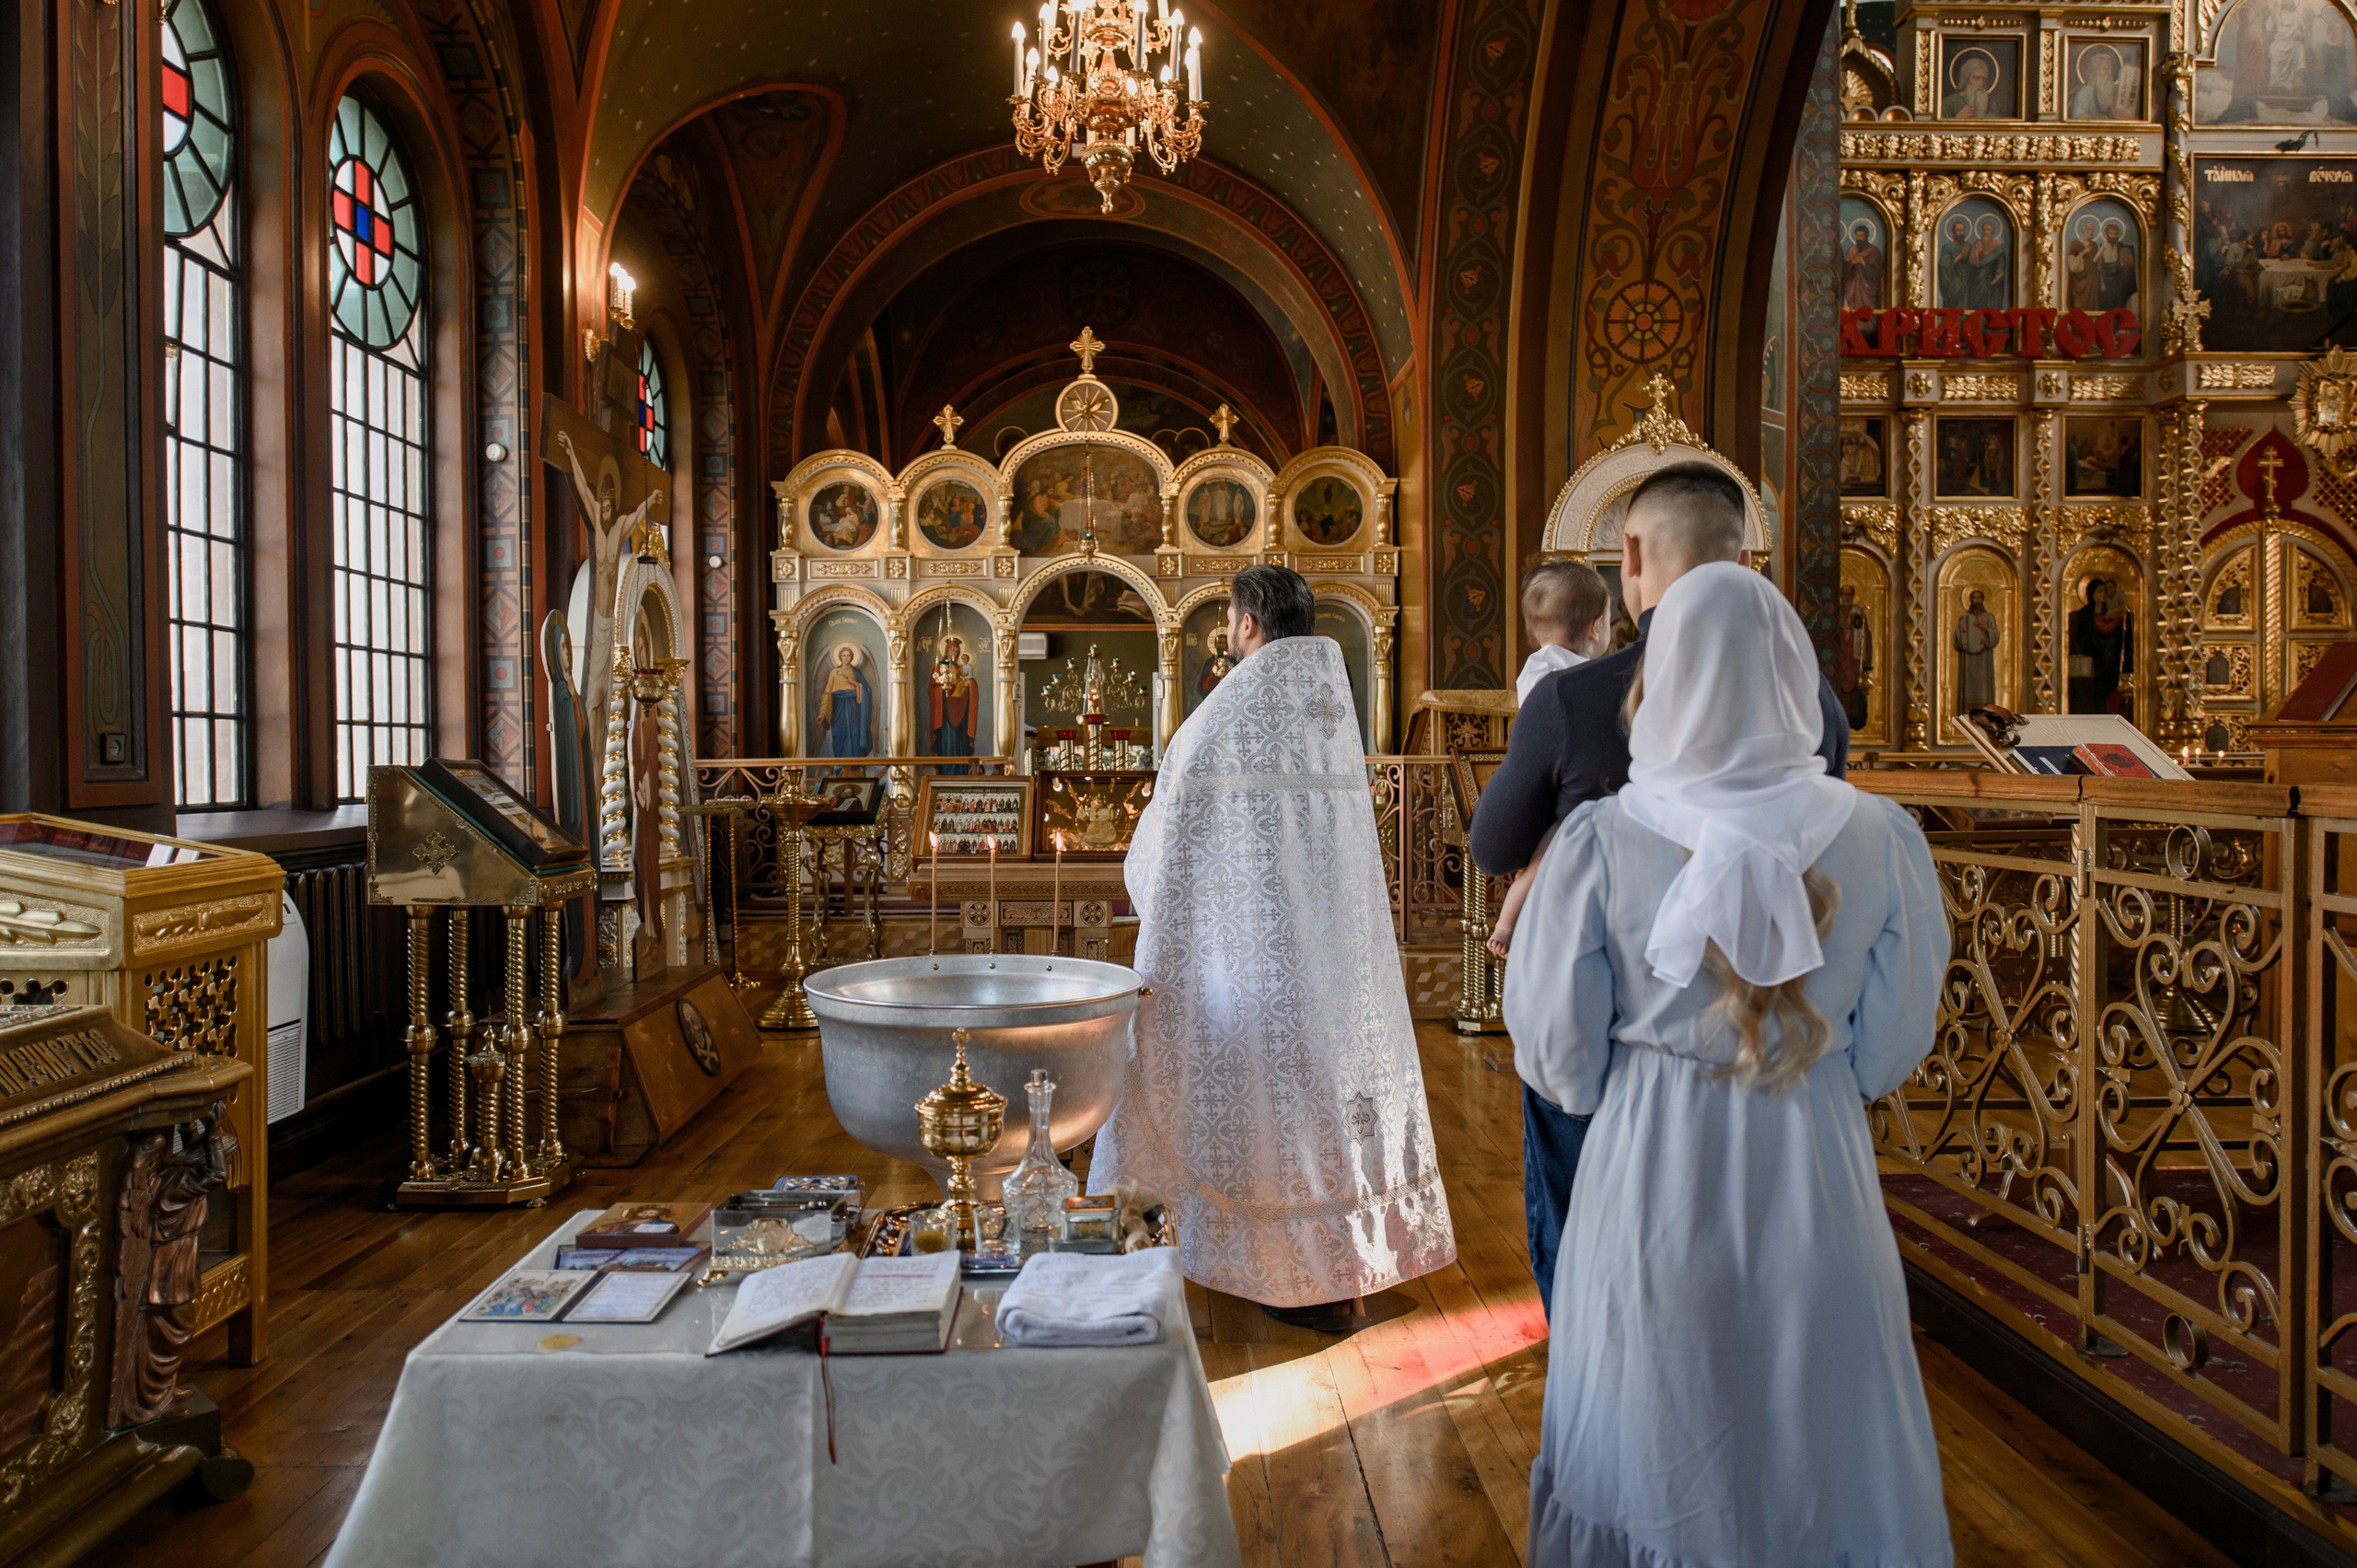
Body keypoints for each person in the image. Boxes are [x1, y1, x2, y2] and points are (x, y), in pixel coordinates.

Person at [1504, 562, 1949, 1568]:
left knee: (1650, 1405)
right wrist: (1824, 1069)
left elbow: (1558, 1057)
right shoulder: (1881, 832)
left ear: (1656, 682)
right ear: (1795, 679)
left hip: (1649, 1159)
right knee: (1815, 1403)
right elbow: (1891, 1041)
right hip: (1815, 1155)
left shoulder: (1599, 838)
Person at [1469, 461, 1850, 1307]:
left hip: (1614, 1035)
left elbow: (1493, 845)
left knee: (1587, 1234)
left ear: (1629, 556)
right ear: (1746, 560)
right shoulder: (1814, 704)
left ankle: (1584, 1345)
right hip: (1790, 1036)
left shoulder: (1570, 705)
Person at [1091, 563, 1456, 1332]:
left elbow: (1161, 851)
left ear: (1247, 623)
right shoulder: (1329, 703)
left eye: (1230, 619)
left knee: (1261, 1112)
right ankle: (1343, 1265)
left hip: (1251, 959)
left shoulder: (1223, 716)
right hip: (1336, 958)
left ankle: (1281, 1265)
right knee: (1323, 1107)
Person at [1485, 561, 1614, 960]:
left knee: (1544, 859)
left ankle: (1511, 922)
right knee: (1545, 858)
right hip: (1560, 789)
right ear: (1595, 627)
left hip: (1540, 777)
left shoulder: (1538, 665)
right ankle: (1507, 924)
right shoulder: (1571, 675)